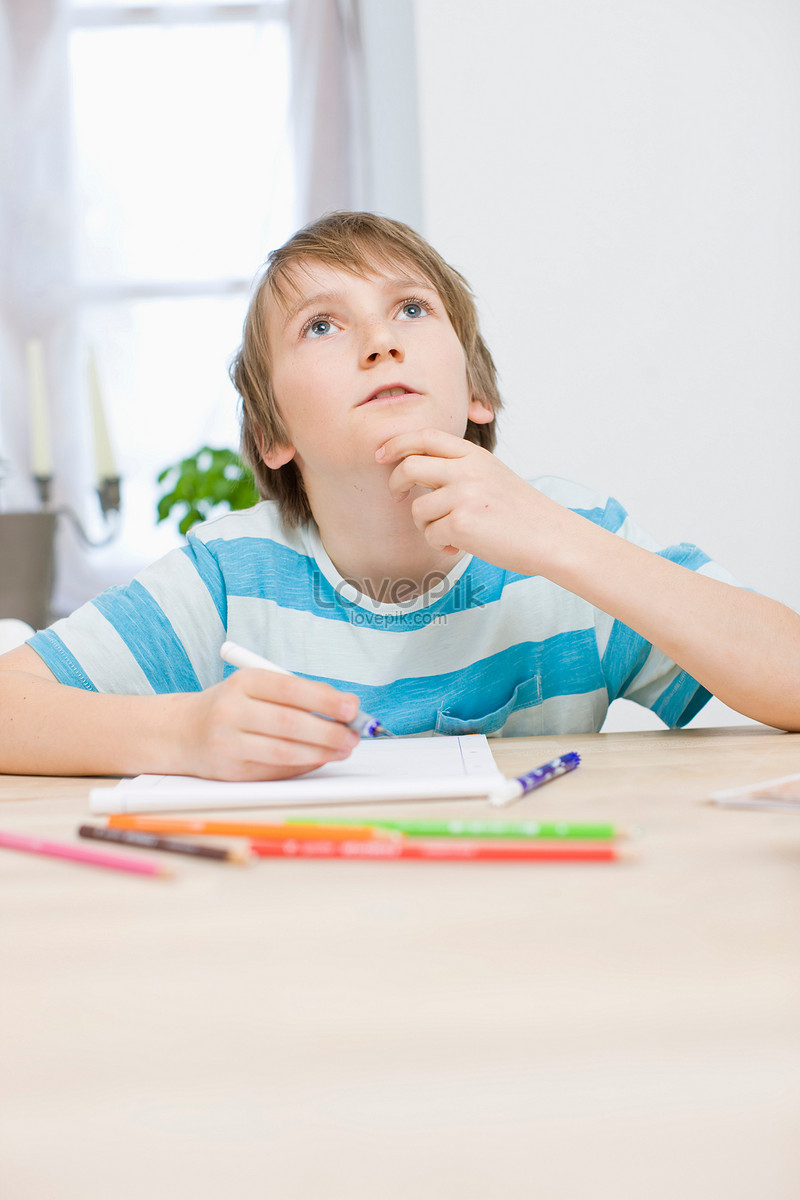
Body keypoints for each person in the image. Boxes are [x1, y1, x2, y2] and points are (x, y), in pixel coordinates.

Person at [2, 211, 799, 780]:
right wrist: (181, 734)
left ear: (475, 392)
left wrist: (567, 546)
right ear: (275, 433)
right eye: (321, 325)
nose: (381, 342)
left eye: (411, 310)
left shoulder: (570, 540)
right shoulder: (228, 576)